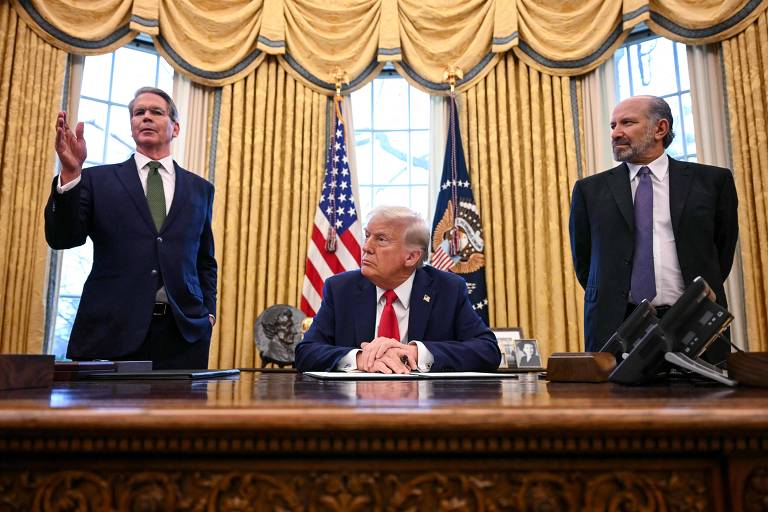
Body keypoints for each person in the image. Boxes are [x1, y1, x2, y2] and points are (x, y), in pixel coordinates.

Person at [45, 87, 217, 369]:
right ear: (132, 126)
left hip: (183, 336)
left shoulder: (201, 189)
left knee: (181, 415)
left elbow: (205, 261)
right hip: (112, 331)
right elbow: (62, 238)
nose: (146, 117)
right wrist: (70, 174)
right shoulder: (95, 181)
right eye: (139, 113)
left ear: (175, 127)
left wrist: (208, 312)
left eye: (156, 112)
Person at [569, 95, 738, 363]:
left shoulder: (713, 181)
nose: (616, 133)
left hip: (693, 321)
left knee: (705, 401)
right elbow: (585, 262)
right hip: (616, 325)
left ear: (660, 128)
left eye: (627, 123)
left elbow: (721, 252)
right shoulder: (589, 191)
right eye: (612, 125)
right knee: (615, 404)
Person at [295, 206, 501, 373]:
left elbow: (487, 350)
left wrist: (415, 352)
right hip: (356, 410)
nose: (366, 247)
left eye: (381, 239)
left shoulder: (447, 289)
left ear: (411, 257)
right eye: (367, 236)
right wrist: (360, 359)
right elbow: (306, 352)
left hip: (428, 410)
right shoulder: (340, 289)